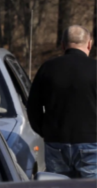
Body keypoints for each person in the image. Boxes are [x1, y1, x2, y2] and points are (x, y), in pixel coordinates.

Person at [27, 25, 97, 178]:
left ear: (63, 45)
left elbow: (33, 107)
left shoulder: (48, 68)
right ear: (89, 44)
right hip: (91, 143)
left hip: (56, 142)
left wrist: (46, 131)